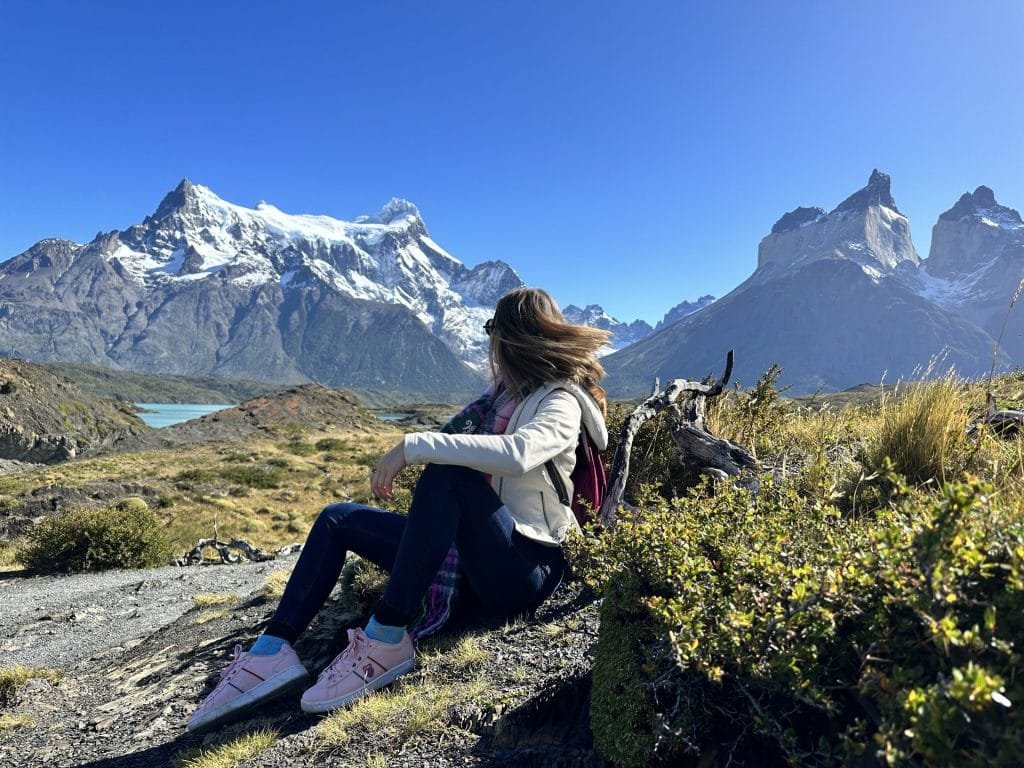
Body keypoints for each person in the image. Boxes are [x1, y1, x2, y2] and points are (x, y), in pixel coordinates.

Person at [187, 287, 611, 732]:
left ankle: (386, 637)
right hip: (474, 554)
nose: (491, 343)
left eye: (492, 330)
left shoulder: (561, 400)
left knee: (449, 475)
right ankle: (271, 653)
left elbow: (520, 452)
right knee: (337, 518)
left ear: (511, 337)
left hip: (526, 567)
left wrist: (415, 445)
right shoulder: (505, 397)